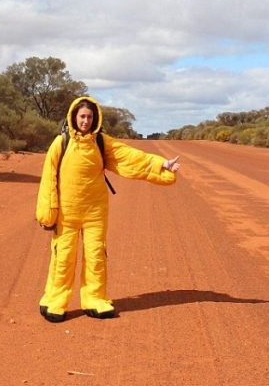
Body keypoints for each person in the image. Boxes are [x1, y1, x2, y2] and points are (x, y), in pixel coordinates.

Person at [35, 96, 180, 323]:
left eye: (89, 117)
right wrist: (47, 212)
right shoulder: (60, 143)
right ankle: (54, 300)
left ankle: (95, 299)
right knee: (63, 257)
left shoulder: (101, 143)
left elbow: (129, 157)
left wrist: (161, 164)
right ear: (74, 117)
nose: (85, 121)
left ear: (95, 119)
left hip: (95, 212)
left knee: (96, 256)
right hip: (67, 213)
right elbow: (48, 180)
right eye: (82, 116)